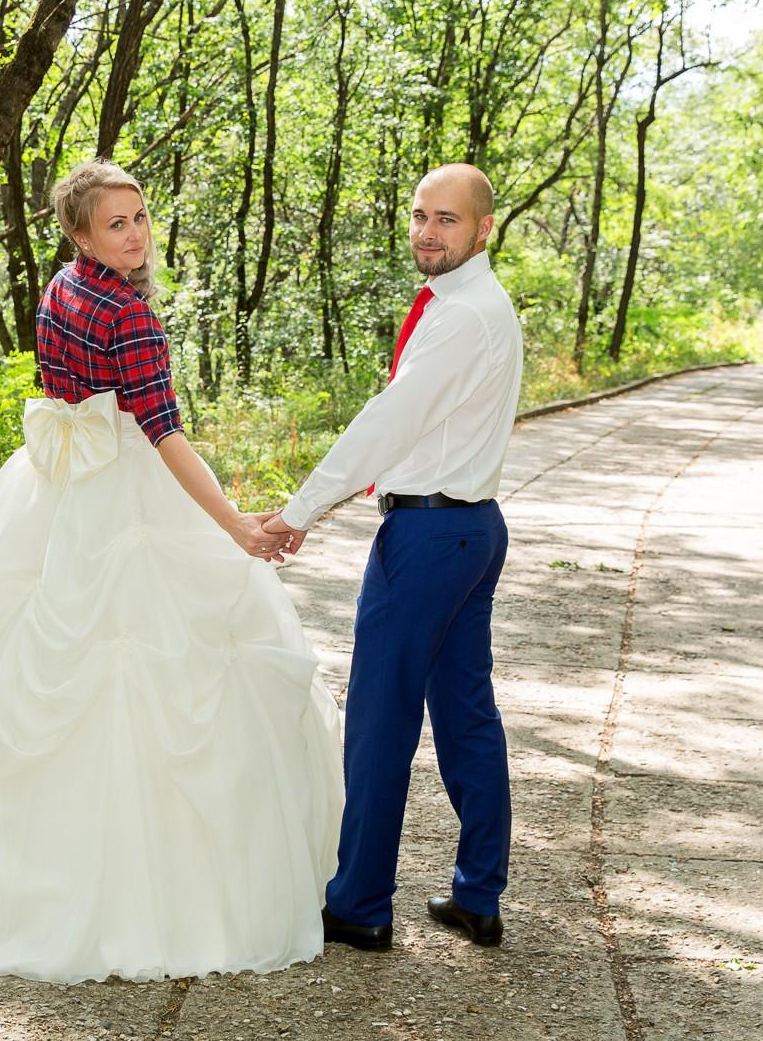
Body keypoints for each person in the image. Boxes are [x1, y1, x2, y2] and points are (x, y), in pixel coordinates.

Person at [0, 160, 343, 984]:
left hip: (54, 488)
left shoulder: (61, 288)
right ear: (81, 234)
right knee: (138, 671)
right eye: (116, 224)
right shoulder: (129, 313)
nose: (137, 232)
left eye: (141, 215)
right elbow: (165, 434)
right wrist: (233, 527)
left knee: (18, 660)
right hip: (115, 491)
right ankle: (138, 901)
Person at [263, 162, 522, 952]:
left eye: (446, 219)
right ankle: (479, 894)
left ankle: (361, 902)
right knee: (466, 713)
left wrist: (299, 508)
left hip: (430, 538)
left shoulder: (461, 318)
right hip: (472, 528)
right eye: (418, 216)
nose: (427, 232)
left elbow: (388, 422)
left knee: (378, 719)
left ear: (483, 229)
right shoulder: (476, 305)